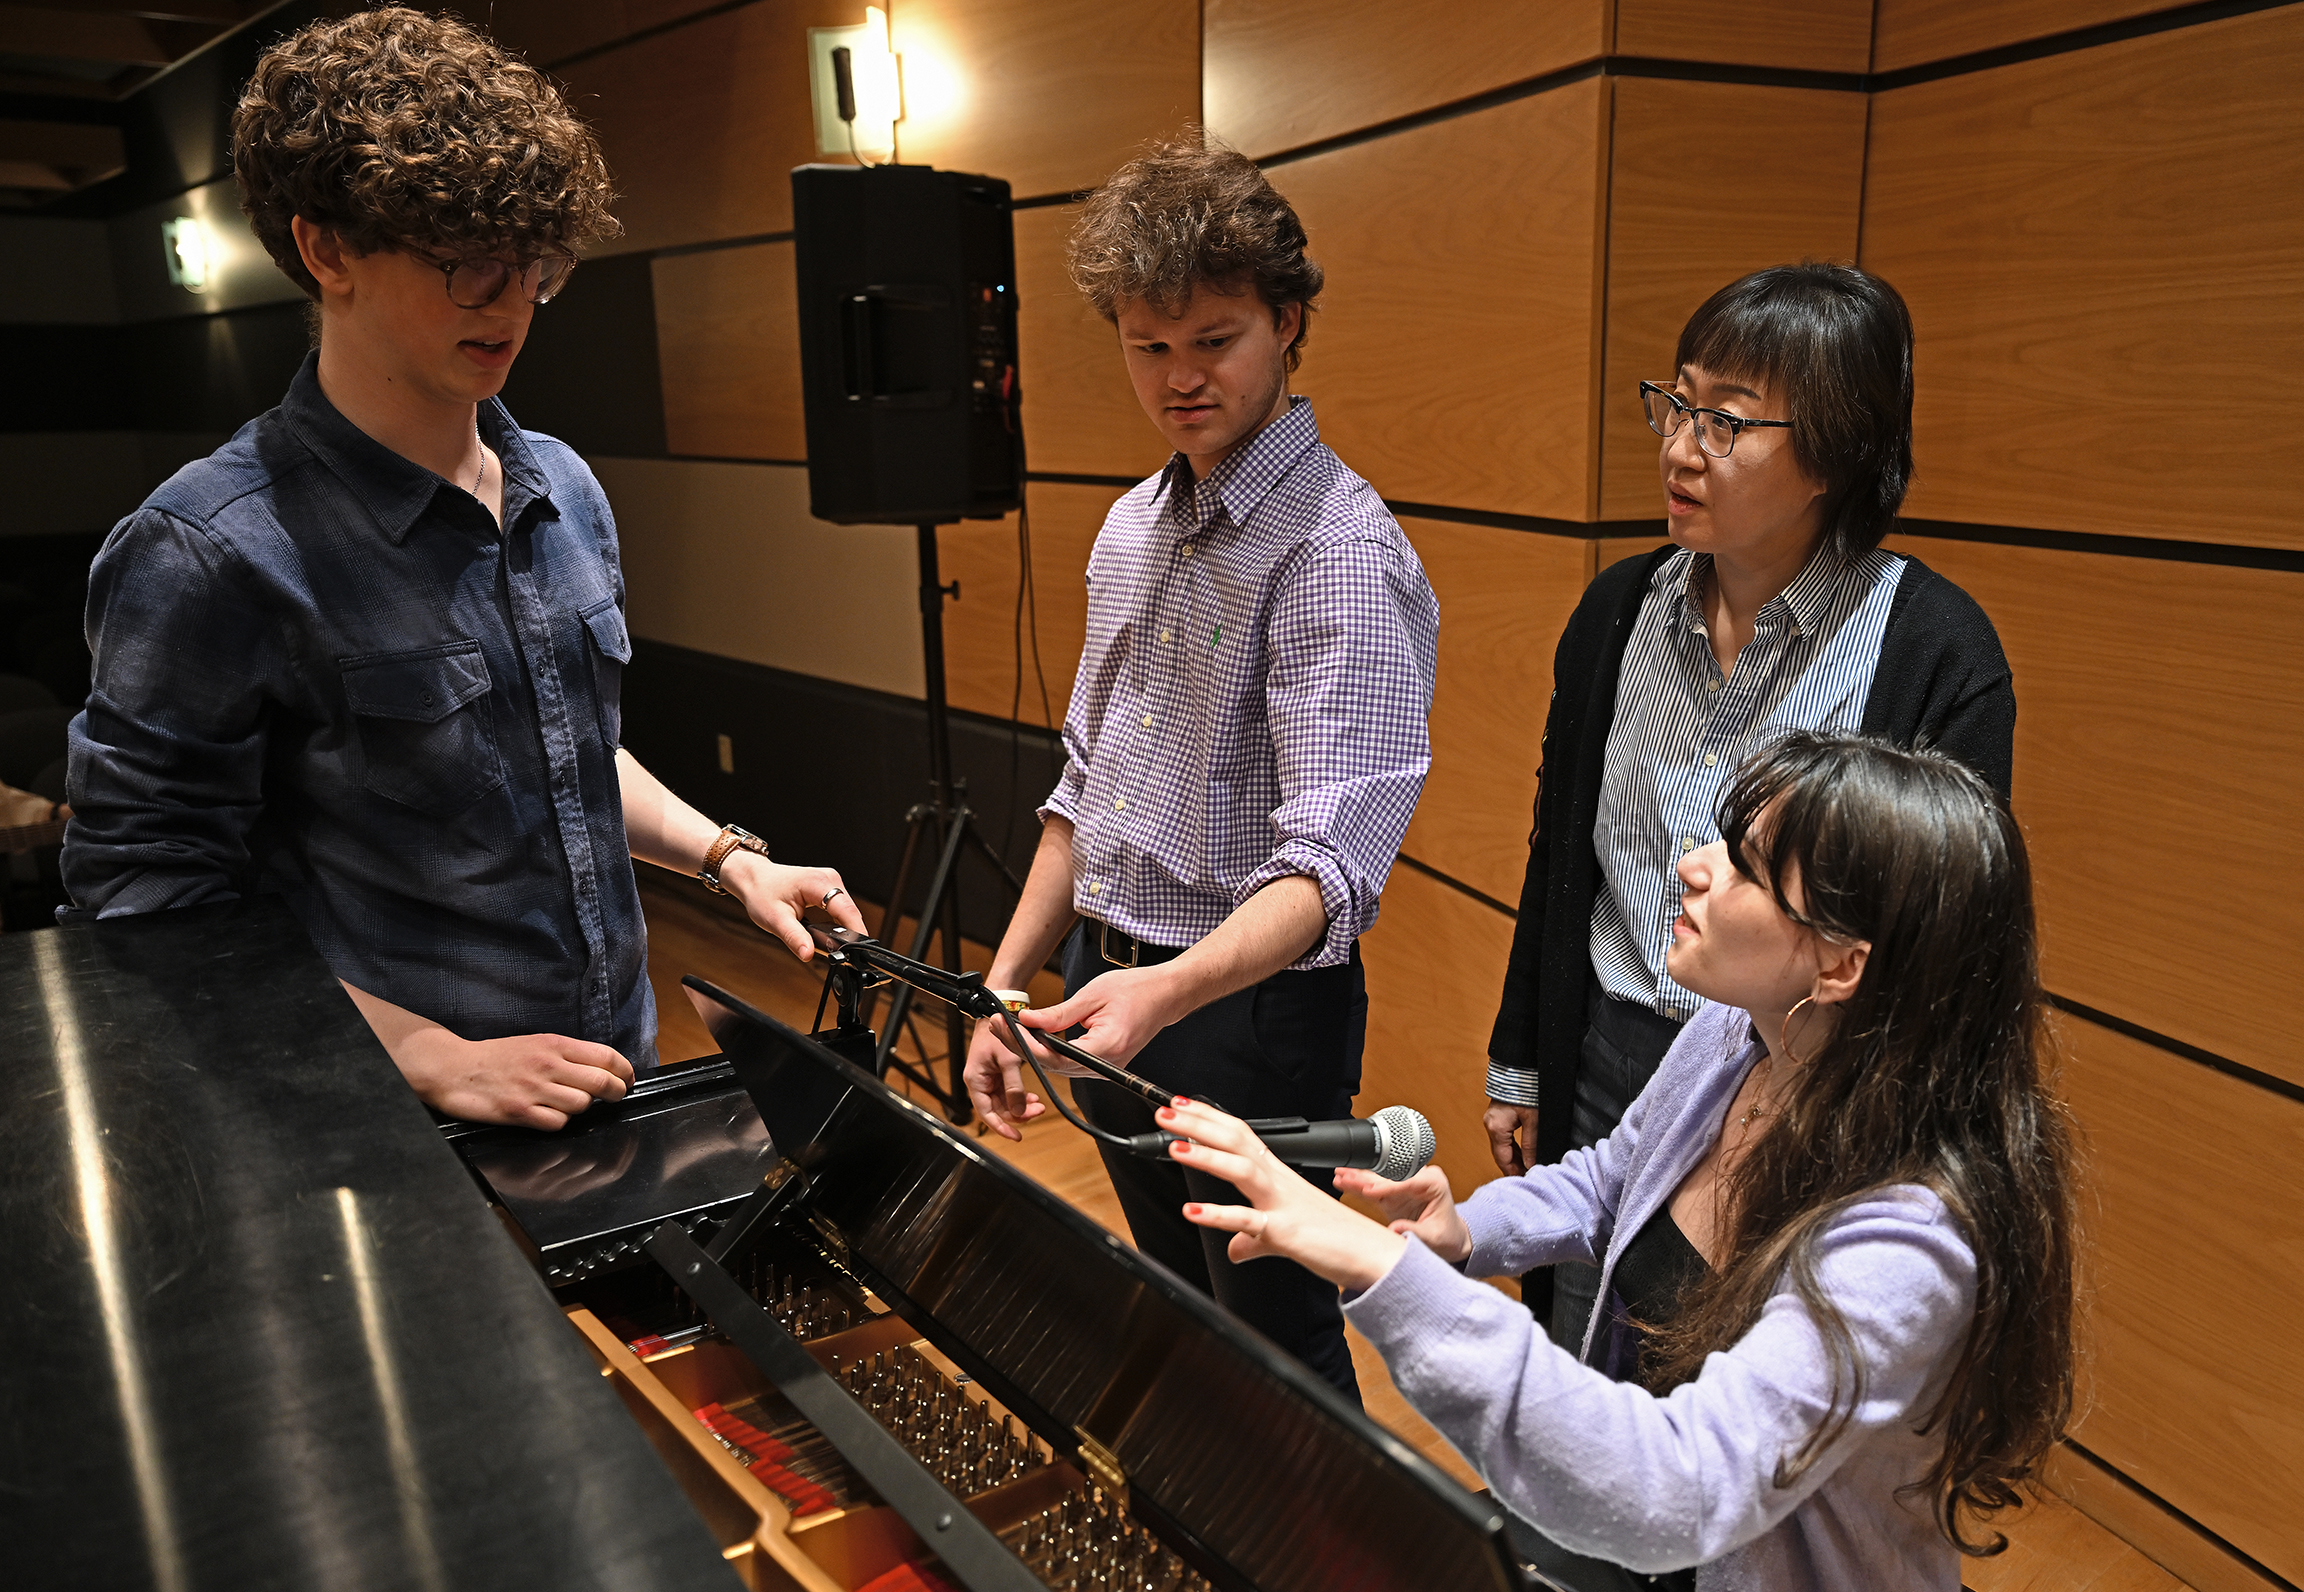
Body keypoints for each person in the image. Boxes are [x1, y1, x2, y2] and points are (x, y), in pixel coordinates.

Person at [59, 9, 865, 1129]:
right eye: (468, 265)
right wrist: (427, 1055)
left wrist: (728, 859)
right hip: (392, 1114)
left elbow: (558, 745)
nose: (515, 300)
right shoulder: (208, 548)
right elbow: (149, 912)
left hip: (610, 1062)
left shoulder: (564, 488)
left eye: (538, 263)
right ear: (326, 248)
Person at [1155, 732, 2077, 1592]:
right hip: (1633, 1560)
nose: (1693, 865)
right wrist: (1465, 1233)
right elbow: (1610, 1179)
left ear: (1840, 967)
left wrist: (1391, 1277)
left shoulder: (1907, 1242)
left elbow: (1678, 1486)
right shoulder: (1738, 1037)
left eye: (1748, 868)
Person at [958, 134, 1440, 1401]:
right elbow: (1083, 792)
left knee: (1277, 1343)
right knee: (1177, 1310)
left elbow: (1332, 871)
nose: (1179, 378)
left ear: (1288, 322)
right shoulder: (1128, 525)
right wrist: (1006, 984)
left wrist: (1164, 994)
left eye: (1214, 340)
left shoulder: (1341, 549)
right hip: (1104, 978)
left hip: (1247, 1016)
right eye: (1148, 345)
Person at [1486, 263, 2017, 1352]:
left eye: (1727, 421)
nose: (1681, 447)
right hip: (1604, 1057)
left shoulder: (1934, 652)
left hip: (1799, 1095)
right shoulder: (1614, 611)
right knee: (1581, 1381)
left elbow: (1937, 949)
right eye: (1676, 403)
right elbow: (1560, 861)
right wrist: (1521, 1060)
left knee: (1719, 1441)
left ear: (1838, 448)